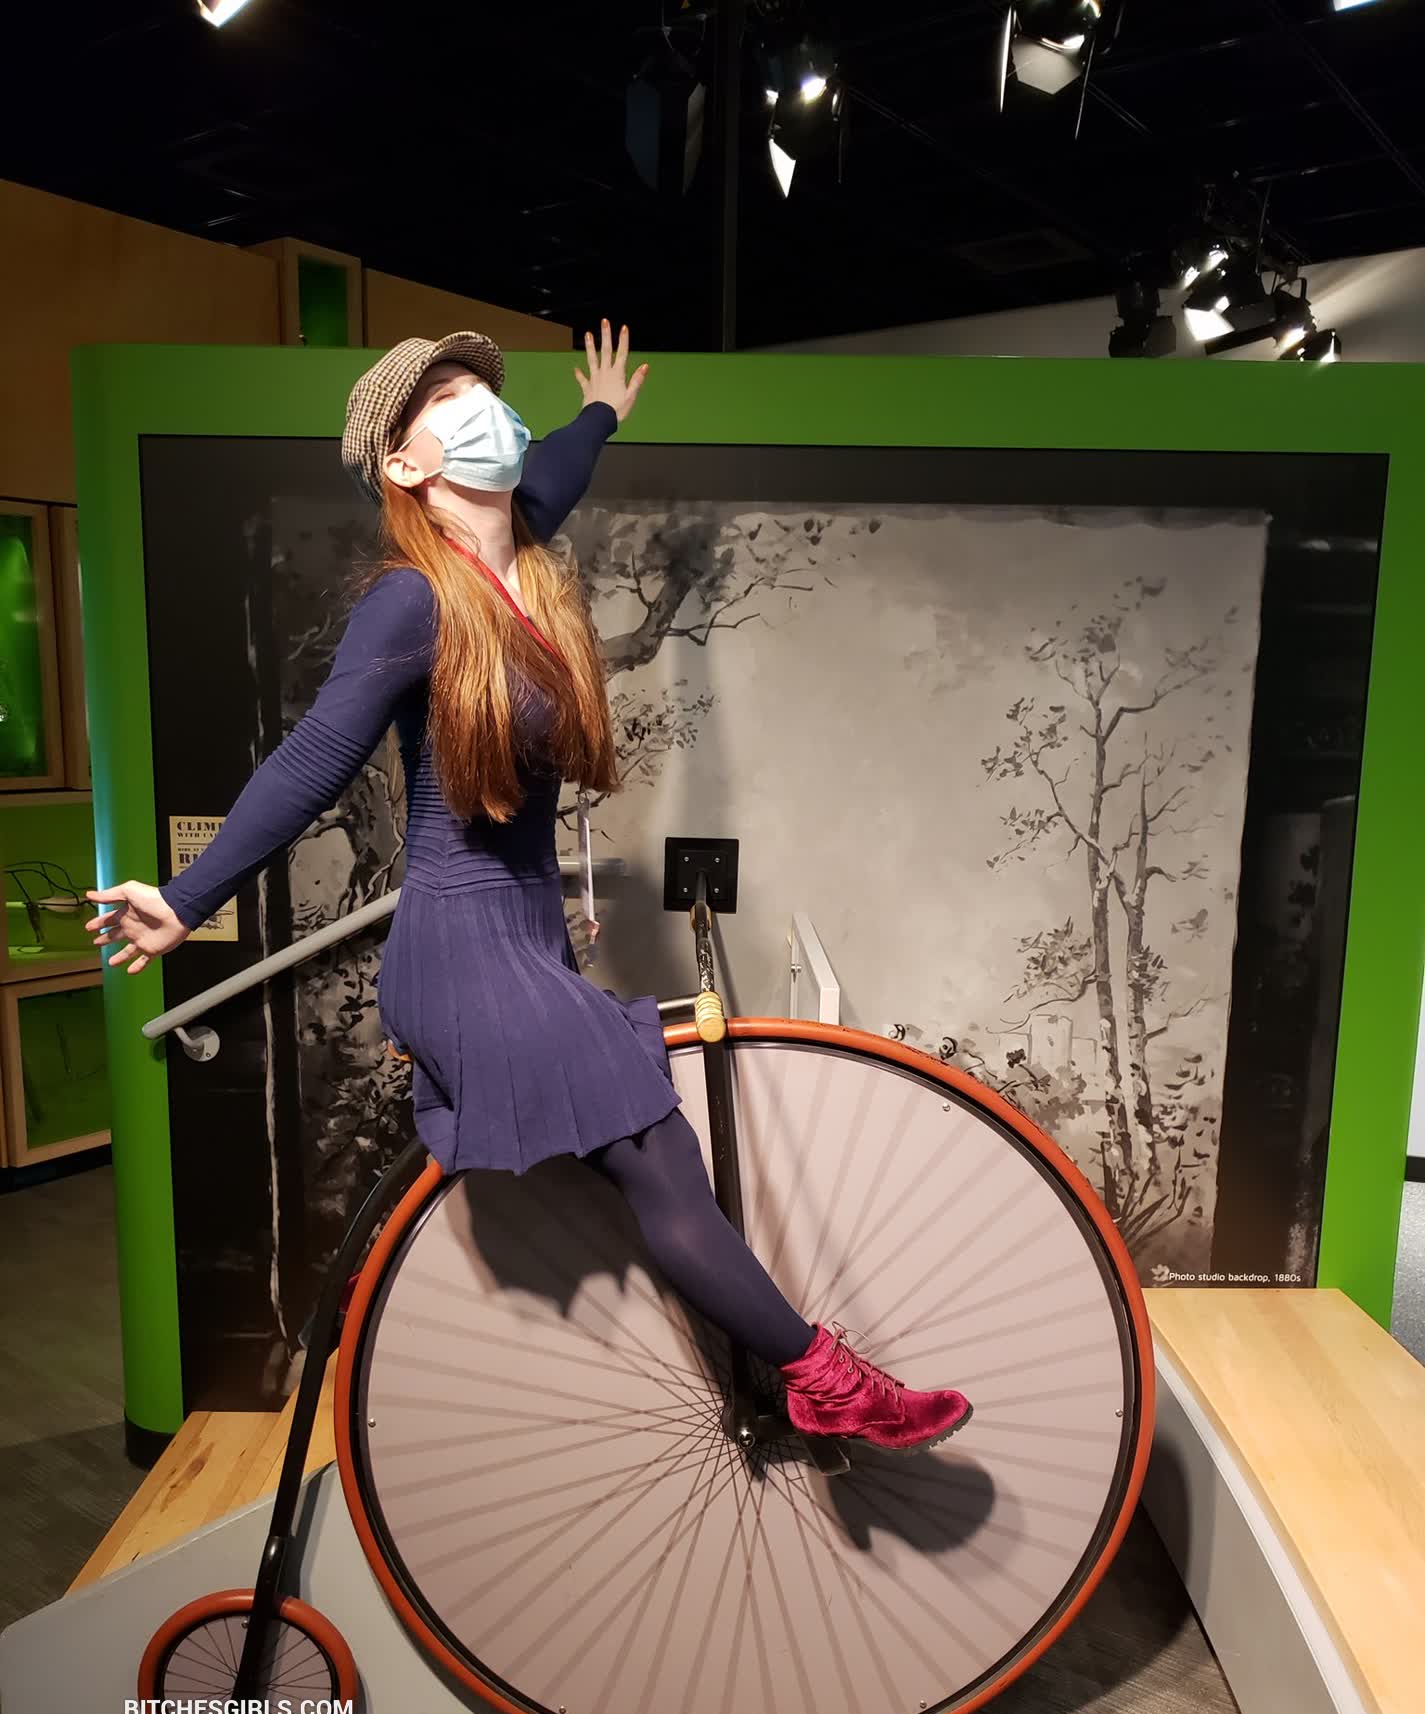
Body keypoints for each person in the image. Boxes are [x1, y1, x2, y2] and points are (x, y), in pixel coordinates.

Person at [86, 322, 971, 1455]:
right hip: (461, 947)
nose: (484, 411)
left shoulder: (521, 562)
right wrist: (188, 896)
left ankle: (777, 1372)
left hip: (522, 935)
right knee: (657, 1153)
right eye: (446, 400)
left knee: (656, 1158)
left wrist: (599, 411)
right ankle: (822, 1379)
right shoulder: (412, 601)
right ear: (406, 463)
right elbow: (312, 759)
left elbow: (553, 467)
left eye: (482, 390)